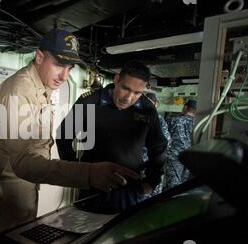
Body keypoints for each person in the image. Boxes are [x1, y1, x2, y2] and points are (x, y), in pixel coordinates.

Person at [0, 28, 139, 235]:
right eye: (59, 65)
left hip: (24, 184)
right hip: (9, 187)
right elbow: (23, 164)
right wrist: (88, 174)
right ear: (39, 57)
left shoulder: (42, 85)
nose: (64, 76)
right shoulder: (20, 90)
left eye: (70, 68)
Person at [56, 61, 168, 213]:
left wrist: (151, 182)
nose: (128, 97)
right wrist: (77, 173)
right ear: (116, 80)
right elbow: (63, 135)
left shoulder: (147, 109)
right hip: (92, 188)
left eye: (137, 93)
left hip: (130, 190)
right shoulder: (90, 102)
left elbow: (158, 146)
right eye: (125, 88)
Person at [141, 92, 171, 195]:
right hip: (148, 163)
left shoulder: (133, 115)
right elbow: (166, 140)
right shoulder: (155, 118)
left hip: (144, 162)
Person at [164, 99, 197, 189]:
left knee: (173, 184)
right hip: (189, 157)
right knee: (184, 184)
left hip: (174, 156)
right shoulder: (197, 123)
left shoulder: (173, 119)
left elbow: (164, 137)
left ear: (185, 107)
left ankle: (172, 202)